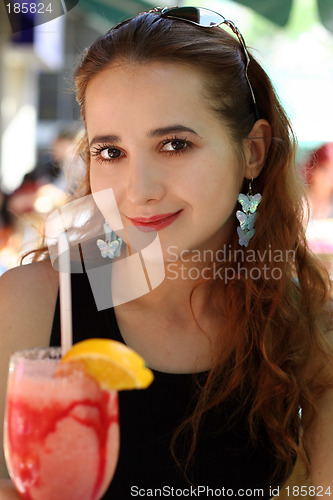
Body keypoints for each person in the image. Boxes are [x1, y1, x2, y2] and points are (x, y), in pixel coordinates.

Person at [0, 6, 332, 499]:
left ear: (253, 152)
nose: (138, 190)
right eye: (111, 152)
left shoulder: (301, 317)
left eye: (175, 144)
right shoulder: (31, 303)